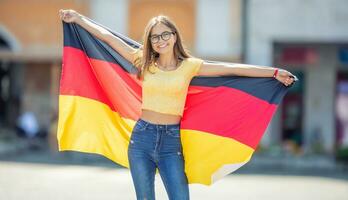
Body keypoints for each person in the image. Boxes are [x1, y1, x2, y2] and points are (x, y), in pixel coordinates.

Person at [59, 9, 295, 200]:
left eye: (165, 34)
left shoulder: (189, 66)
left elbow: (233, 68)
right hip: (141, 139)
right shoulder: (143, 60)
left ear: (174, 36)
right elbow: (108, 38)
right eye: (155, 36)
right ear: (150, 41)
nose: (160, 40)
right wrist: (79, 19)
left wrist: (273, 72)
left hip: (171, 143)